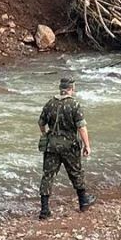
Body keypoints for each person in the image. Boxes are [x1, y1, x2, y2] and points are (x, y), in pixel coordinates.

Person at [38, 75, 95, 220]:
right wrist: (87, 145)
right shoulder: (74, 105)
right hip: (70, 146)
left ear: (60, 88)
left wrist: (45, 135)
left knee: (48, 176)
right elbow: (81, 127)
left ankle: (44, 210)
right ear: (71, 88)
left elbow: (41, 122)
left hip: (51, 146)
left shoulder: (50, 103)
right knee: (76, 173)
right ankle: (83, 201)